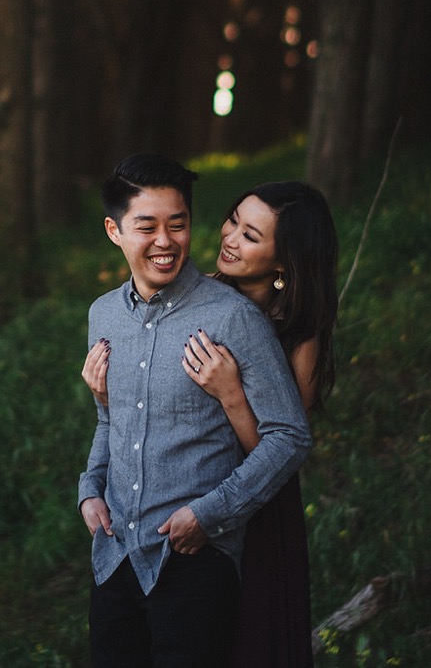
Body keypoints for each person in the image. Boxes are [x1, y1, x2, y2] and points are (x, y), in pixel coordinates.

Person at [86, 180, 337, 668]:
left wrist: (231, 394)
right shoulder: (205, 297)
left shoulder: (297, 334)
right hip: (185, 501)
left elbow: (279, 441)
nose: (230, 239)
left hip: (260, 500)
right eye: (233, 221)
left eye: (251, 235)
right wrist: (108, 397)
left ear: (283, 260)